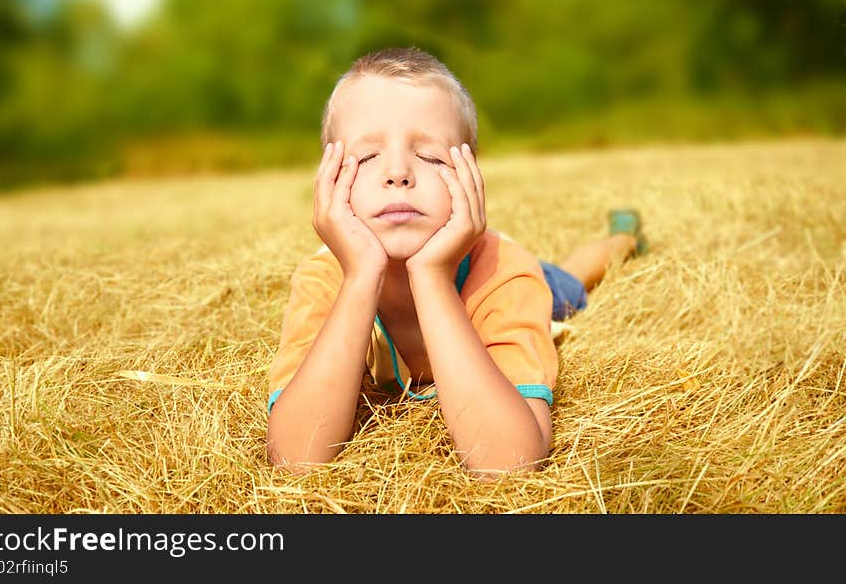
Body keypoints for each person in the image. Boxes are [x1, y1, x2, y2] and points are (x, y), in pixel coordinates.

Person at [266, 47, 647, 477]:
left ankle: (623, 237)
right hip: (362, 274)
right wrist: (360, 277)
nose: (397, 172)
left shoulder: (506, 273)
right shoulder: (324, 278)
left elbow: (510, 464)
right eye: (367, 156)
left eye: (429, 157)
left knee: (571, 279)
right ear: (328, 181)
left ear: (471, 179)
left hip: (515, 276)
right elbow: (295, 458)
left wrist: (431, 277)